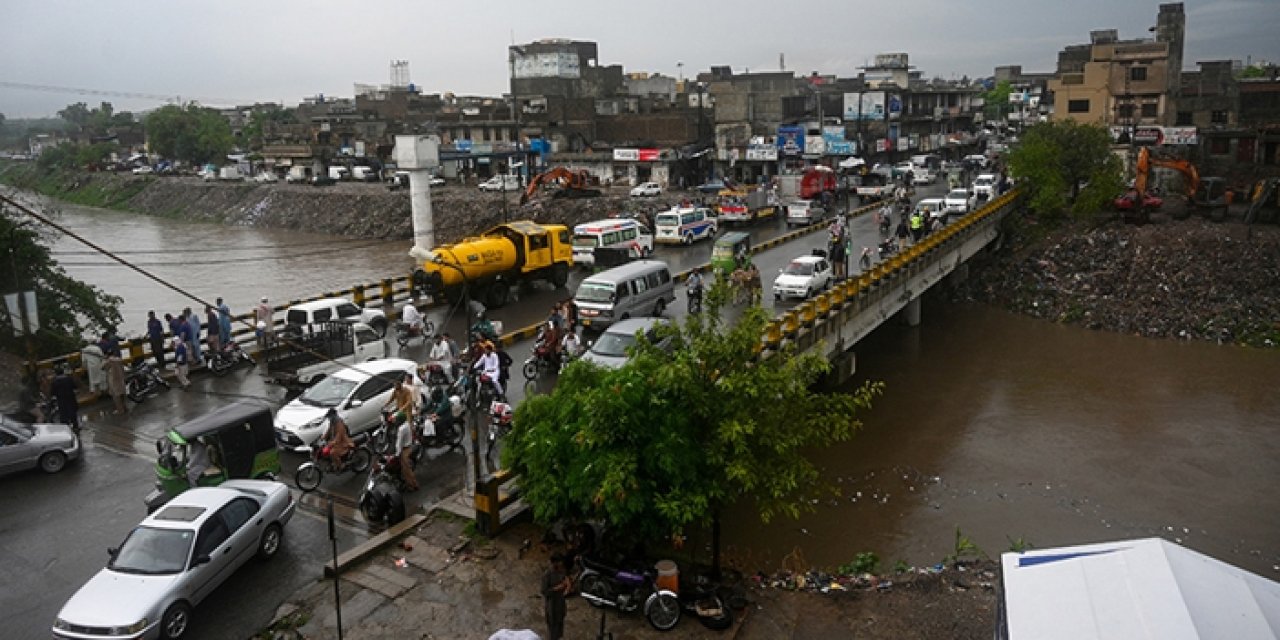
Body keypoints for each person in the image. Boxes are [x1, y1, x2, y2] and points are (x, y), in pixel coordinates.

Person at [541, 553, 571, 640]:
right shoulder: (547, 575)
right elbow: (544, 591)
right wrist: (557, 588)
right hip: (552, 604)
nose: (561, 564)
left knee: (560, 622)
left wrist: (568, 584)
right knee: (553, 626)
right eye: (559, 562)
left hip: (560, 602)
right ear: (554, 563)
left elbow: (566, 578)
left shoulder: (562, 570)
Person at [395, 400, 419, 492]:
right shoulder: (407, 424)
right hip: (409, 446)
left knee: (406, 470)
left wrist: (397, 455)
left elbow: (399, 443)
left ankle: (413, 485)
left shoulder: (401, 429)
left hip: (404, 450)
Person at [49, 365, 80, 433]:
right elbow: (75, 387)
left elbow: (53, 393)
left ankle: (66, 430)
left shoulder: (54, 382)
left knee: (64, 416)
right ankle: (76, 427)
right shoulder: (69, 379)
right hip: (71, 399)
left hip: (62, 401)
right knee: (73, 415)